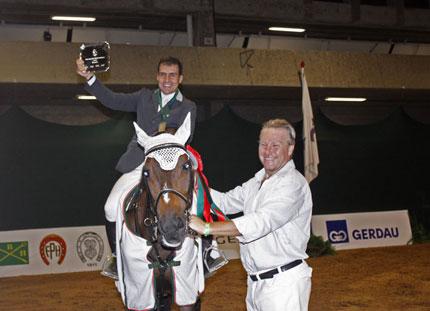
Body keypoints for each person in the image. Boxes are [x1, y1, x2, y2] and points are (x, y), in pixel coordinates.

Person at [76, 56, 197, 279]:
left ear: (180, 78)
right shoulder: (143, 97)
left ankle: (210, 253)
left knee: (200, 199)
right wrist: (90, 78)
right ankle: (115, 257)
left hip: (170, 167)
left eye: (172, 75)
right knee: (110, 207)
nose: (167, 79)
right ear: (156, 76)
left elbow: (186, 138)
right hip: (140, 160)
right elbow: (112, 100)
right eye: (162, 74)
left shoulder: (189, 106)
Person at [190, 119, 313, 311]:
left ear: (290, 149)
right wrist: (192, 182)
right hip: (255, 284)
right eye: (264, 144)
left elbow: (261, 222)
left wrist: (206, 227)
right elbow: (224, 202)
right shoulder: (257, 181)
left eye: (275, 145)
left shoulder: (292, 184)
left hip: (283, 285)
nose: (268, 151)